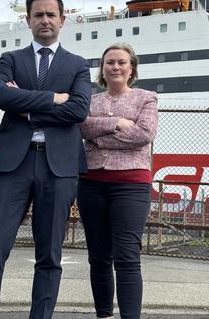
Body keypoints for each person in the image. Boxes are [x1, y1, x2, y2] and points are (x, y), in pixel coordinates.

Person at [0, 0, 91, 319]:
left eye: (51, 14)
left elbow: (79, 110)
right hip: (14, 164)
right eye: (38, 14)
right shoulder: (11, 59)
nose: (45, 20)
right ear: (28, 20)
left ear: (63, 19)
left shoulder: (78, 65)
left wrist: (28, 106)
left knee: (49, 254)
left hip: (59, 166)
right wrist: (54, 99)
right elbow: (3, 98)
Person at [77, 43, 158, 319]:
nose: (115, 67)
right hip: (91, 183)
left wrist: (97, 134)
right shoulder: (89, 101)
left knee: (126, 256)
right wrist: (118, 123)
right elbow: (81, 126)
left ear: (131, 68)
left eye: (121, 62)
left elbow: (144, 134)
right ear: (102, 68)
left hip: (131, 184)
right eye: (110, 62)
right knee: (98, 257)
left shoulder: (146, 98)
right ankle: (104, 315)